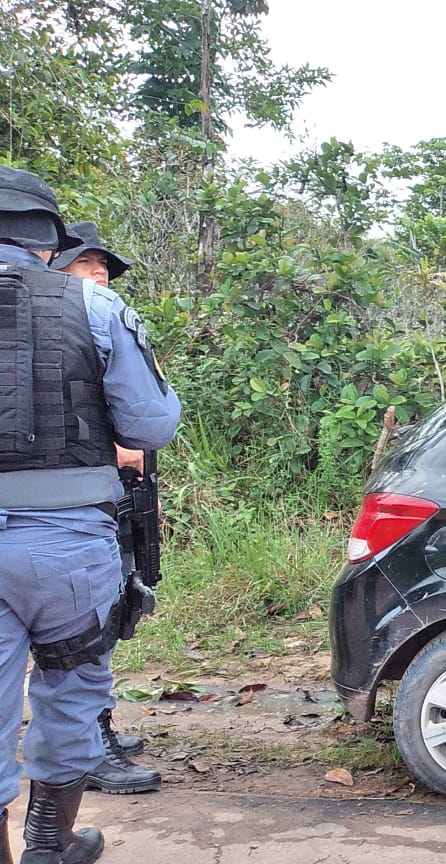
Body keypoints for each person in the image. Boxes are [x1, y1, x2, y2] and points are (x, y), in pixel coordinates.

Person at [0, 167, 180, 864]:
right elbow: (152, 426)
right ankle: (50, 844)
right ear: (50, 239)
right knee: (72, 687)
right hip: (68, 548)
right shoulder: (95, 307)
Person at [51, 222, 161, 797]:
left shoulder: (99, 326)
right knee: (83, 637)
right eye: (84, 266)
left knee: (114, 614)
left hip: (111, 501)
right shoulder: (48, 335)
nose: (98, 276)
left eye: (103, 269)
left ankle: (99, 731)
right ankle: (90, 748)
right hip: (72, 509)